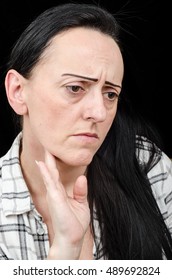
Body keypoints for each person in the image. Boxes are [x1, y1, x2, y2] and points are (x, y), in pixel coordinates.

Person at [0, 2, 172, 260]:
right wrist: (65, 253)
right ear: (18, 92)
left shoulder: (145, 164)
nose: (99, 113)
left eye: (110, 93)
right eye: (75, 88)